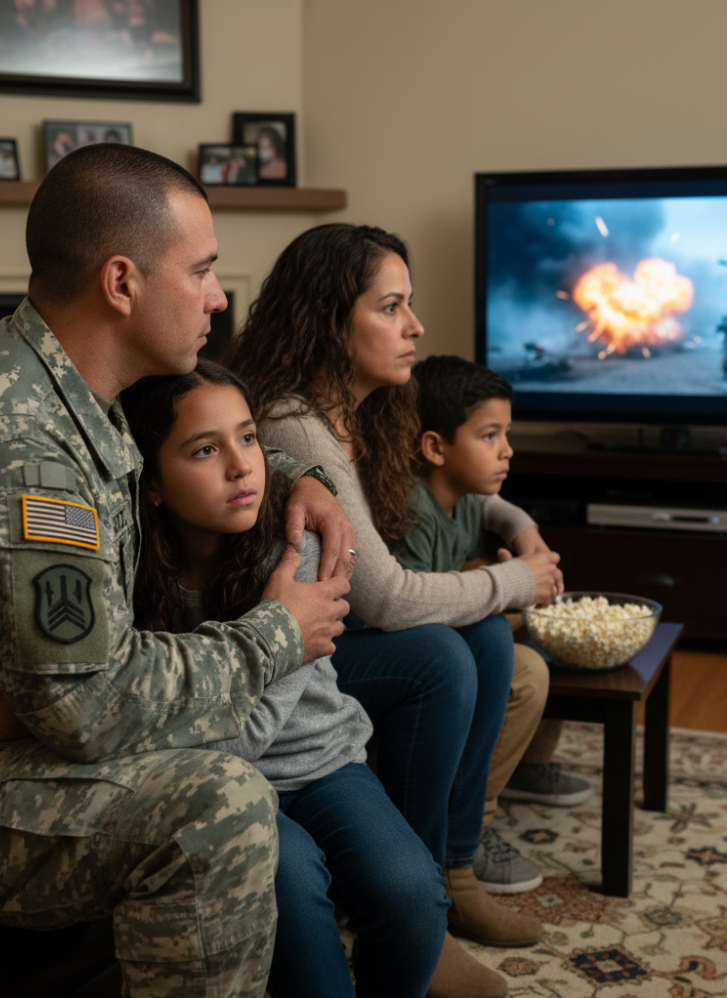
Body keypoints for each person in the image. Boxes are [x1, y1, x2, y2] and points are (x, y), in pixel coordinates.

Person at [0, 142, 356, 998]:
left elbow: (169, 447)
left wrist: (305, 478)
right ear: (121, 283)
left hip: (1, 734)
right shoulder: (18, 447)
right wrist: (275, 634)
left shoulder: (63, 382)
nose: (219, 296)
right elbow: (92, 706)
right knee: (214, 807)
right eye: (204, 270)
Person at [225, 222, 565, 998]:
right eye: (390, 308)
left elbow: (462, 481)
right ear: (327, 320)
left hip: (339, 633)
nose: (415, 326)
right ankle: (428, 888)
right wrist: (520, 581)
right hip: (298, 652)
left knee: (481, 639)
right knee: (446, 652)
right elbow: (386, 594)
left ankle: (449, 867)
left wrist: (517, 527)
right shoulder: (293, 422)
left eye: (410, 306)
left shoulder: (371, 410)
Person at [116, 361, 448, 997]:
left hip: (319, 762)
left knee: (412, 896)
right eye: (205, 449)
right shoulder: (127, 569)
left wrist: (142, 739)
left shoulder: (296, 546)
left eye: (247, 438)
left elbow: (256, 729)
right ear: (152, 482)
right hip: (218, 795)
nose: (243, 466)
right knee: (292, 889)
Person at [396, 354, 593, 895]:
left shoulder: (465, 498)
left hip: (450, 628)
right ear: (434, 447)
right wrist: (494, 581)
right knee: (527, 674)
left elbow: (463, 556)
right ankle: (471, 825)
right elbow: (411, 612)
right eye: (489, 435)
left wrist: (491, 571)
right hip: (423, 650)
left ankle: (526, 764)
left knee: (550, 632)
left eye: (507, 433)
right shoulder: (413, 513)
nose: (507, 449)